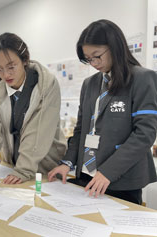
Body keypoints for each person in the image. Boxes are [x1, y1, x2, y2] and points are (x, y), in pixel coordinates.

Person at [48, 19, 157, 205]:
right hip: (86, 175)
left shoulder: (142, 79)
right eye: (88, 59)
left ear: (114, 47)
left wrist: (108, 171)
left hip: (120, 180)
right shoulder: (89, 84)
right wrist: (67, 163)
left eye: (97, 56)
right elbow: (81, 129)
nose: (93, 63)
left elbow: (144, 134)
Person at [0, 32, 67, 188]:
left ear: (24, 60)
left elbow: (38, 132)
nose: (6, 75)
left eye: (11, 67)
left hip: (44, 168)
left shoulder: (46, 85)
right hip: (13, 167)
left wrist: (23, 170)